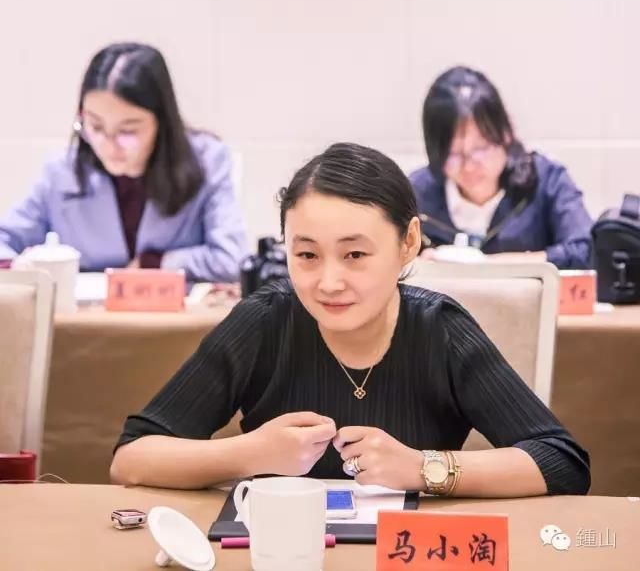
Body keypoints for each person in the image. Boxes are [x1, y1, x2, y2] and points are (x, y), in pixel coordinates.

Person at [111, 142, 590, 497]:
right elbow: (132, 457)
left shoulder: (440, 329)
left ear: (408, 242)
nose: (329, 282)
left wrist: (423, 468)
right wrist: (249, 453)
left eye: (355, 254)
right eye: (306, 255)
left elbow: (561, 461)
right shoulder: (263, 322)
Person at [0, 42, 247, 282]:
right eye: (95, 126)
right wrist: (21, 269)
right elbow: (5, 241)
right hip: (83, 310)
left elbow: (232, 259)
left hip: (175, 309)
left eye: (127, 132)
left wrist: (156, 263)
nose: (108, 146)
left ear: (162, 123)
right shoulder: (62, 171)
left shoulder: (207, 161)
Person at [410, 66, 593, 269]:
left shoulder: (546, 180)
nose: (469, 166)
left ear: (506, 134)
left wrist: (483, 265)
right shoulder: (416, 194)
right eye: (453, 154)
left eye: (480, 148)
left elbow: (584, 251)